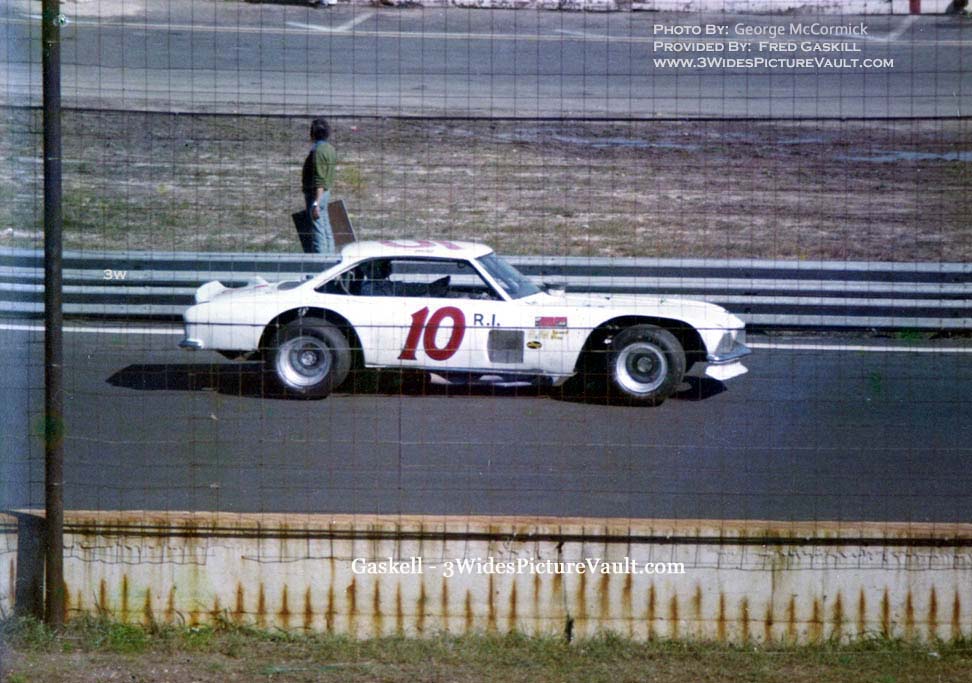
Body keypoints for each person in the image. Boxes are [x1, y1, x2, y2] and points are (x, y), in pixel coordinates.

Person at [301, 117, 337, 253]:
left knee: (318, 232)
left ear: (312, 133)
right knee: (326, 228)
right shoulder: (330, 149)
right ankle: (330, 257)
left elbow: (319, 179)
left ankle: (321, 261)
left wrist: (316, 203)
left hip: (317, 194)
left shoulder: (318, 151)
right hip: (325, 192)